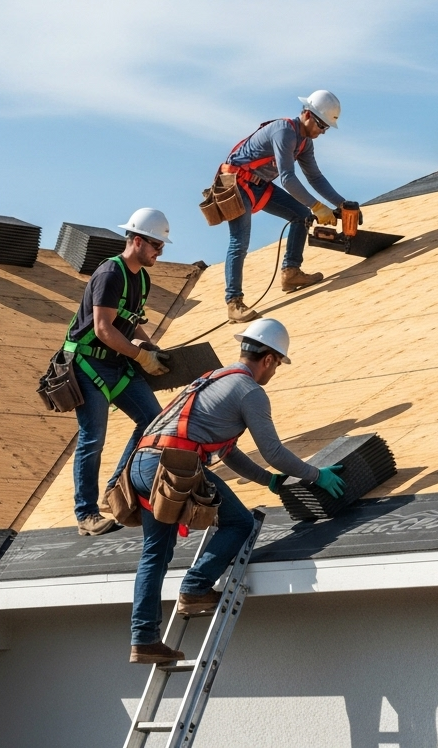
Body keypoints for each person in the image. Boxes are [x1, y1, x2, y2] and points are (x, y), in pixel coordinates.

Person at [126, 318, 346, 664]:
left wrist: (268, 481)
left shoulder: (214, 379)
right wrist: (315, 475)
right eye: (277, 365)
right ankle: (196, 588)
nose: (274, 373)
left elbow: (227, 450)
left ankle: (144, 640)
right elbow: (274, 451)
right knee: (239, 523)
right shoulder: (251, 392)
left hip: (141, 464)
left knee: (155, 554)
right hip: (173, 466)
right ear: (270, 359)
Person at [63, 208, 172, 536]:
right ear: (137, 241)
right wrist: (141, 356)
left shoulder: (142, 278)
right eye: (156, 245)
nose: (159, 253)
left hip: (116, 363)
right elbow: (102, 329)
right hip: (87, 364)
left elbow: (132, 324)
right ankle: (86, 514)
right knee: (92, 438)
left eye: (162, 247)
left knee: (153, 422)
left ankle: (115, 490)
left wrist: (152, 351)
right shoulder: (110, 274)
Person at [221, 90, 358, 324]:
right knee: (240, 242)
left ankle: (291, 273)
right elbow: (287, 178)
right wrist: (317, 205)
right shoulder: (284, 132)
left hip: (258, 184)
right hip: (235, 183)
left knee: (301, 215)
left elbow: (315, 177)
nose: (322, 132)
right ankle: (234, 303)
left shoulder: (305, 142)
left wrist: (341, 204)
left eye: (326, 128)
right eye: (321, 125)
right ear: (307, 114)